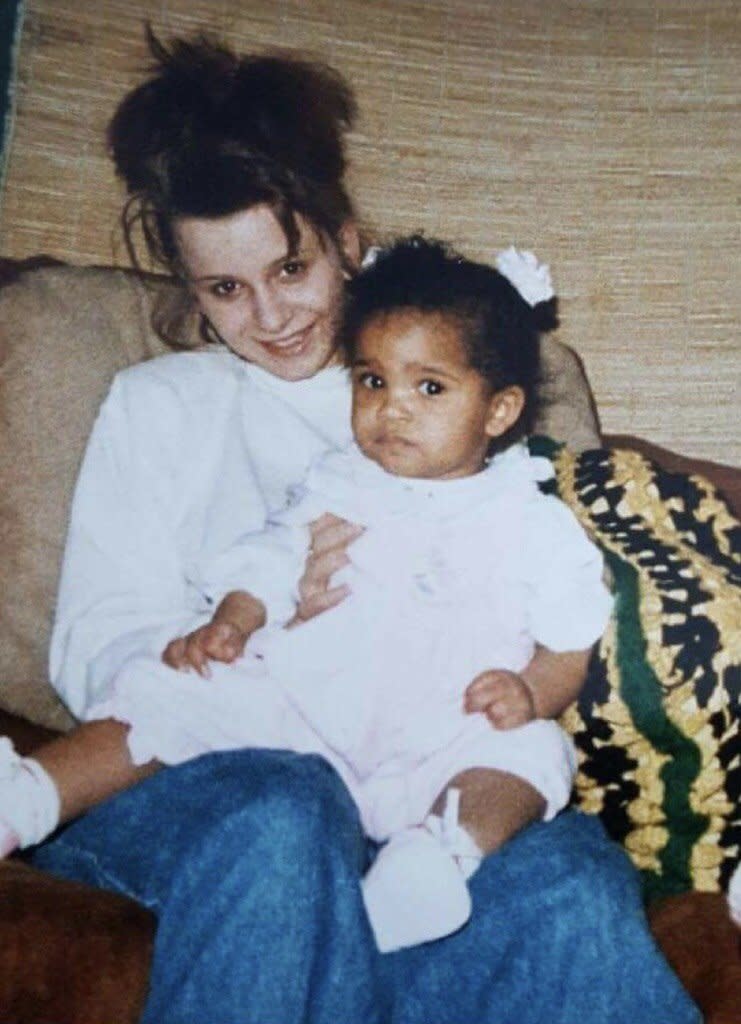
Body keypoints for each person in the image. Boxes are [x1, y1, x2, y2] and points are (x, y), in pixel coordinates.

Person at [6, 31, 699, 1023]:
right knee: (289, 813)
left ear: (348, 241)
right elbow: (88, 655)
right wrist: (262, 623)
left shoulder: (447, 389)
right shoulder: (157, 404)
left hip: (421, 768)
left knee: (568, 888)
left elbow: (549, 612)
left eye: (291, 268)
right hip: (218, 769)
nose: (270, 314)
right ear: (190, 291)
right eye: (225, 289)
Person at [0, 238, 614, 955]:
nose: (392, 411)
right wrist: (233, 621)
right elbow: (274, 552)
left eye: (430, 389)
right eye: (372, 382)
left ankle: (434, 861)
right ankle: (33, 795)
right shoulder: (342, 480)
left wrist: (530, 692)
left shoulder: (531, 519)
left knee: (532, 757)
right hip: (303, 708)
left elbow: (571, 633)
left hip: (438, 729)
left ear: (499, 410)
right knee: (171, 690)